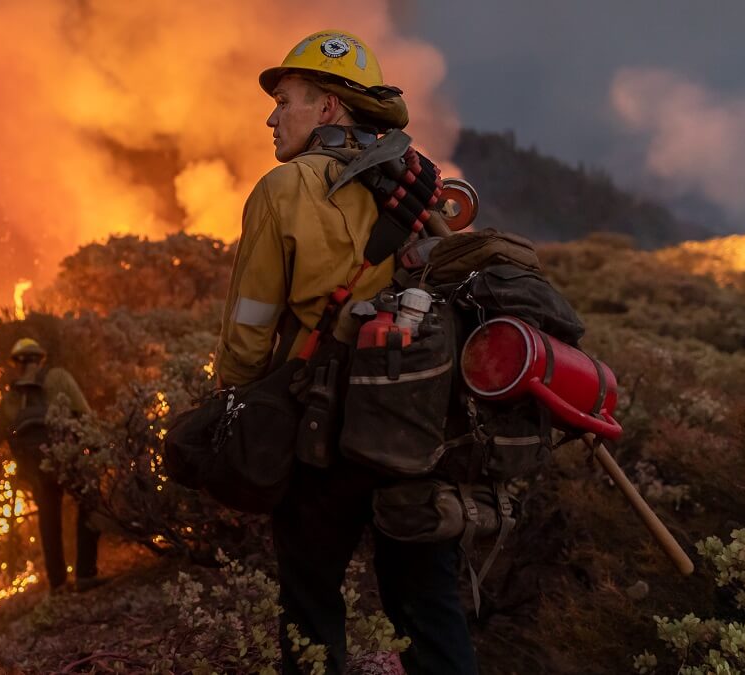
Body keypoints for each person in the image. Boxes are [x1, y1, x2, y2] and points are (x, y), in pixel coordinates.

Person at [214, 30, 477, 674]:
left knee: (310, 608)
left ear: (329, 106)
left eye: (286, 100)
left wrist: (237, 406)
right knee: (427, 607)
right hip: (414, 430)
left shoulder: (284, 189)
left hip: (320, 434)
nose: (272, 117)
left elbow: (250, 326)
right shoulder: (419, 184)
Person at [0, 337, 104, 594]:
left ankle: (58, 584)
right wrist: (96, 448)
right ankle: (85, 575)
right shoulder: (59, 377)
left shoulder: (11, 399)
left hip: (36, 469)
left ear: (17, 364)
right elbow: (85, 415)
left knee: (48, 520)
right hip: (67, 458)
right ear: (40, 359)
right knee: (90, 502)